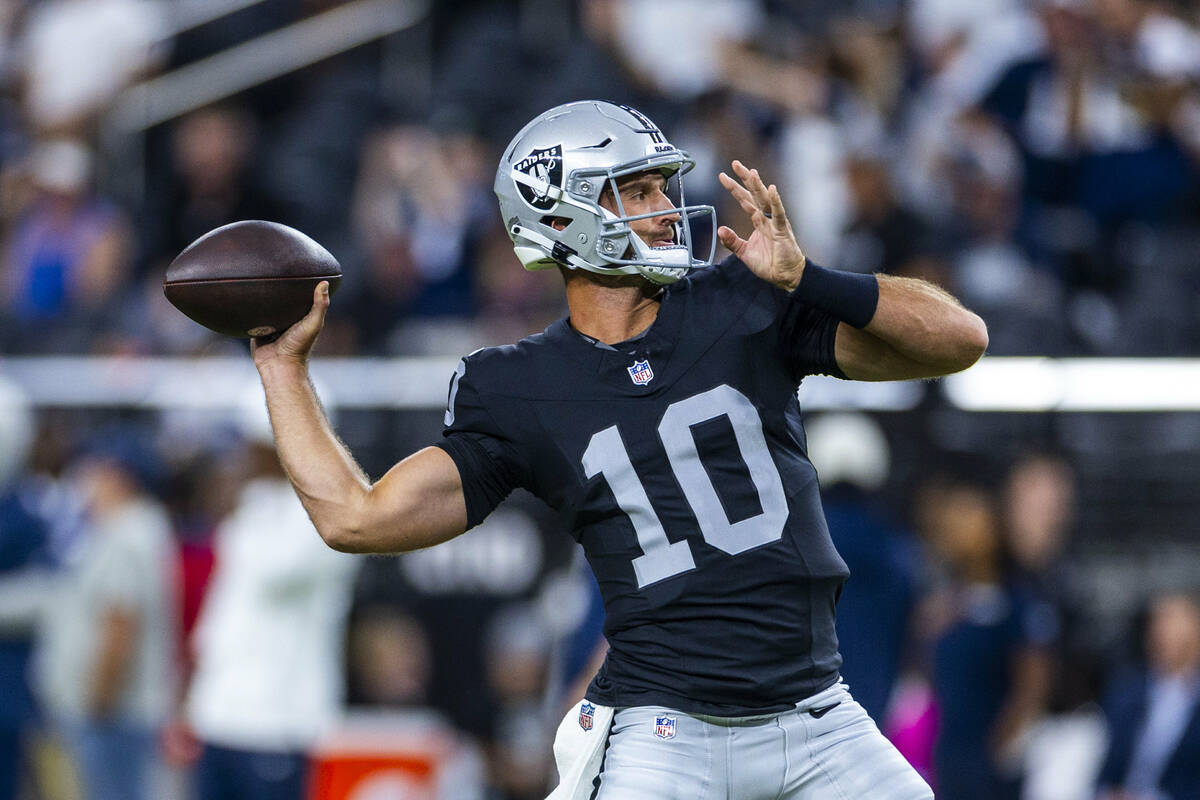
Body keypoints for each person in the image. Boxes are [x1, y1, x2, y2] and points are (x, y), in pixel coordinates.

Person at [250, 100, 988, 798]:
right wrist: (283, 369)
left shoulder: (743, 300)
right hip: (666, 734)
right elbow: (355, 518)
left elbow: (960, 341)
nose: (664, 208)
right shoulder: (518, 386)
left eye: (661, 187)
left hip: (819, 714)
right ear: (560, 216)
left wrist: (810, 278)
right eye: (636, 191)